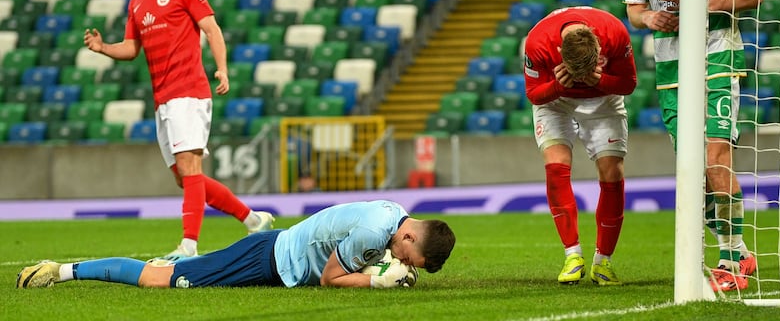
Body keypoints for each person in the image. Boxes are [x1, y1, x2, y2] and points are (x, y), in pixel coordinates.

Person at [83, 0, 274, 260]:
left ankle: (189, 246)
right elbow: (131, 49)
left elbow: (211, 28)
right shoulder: (137, 1)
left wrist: (222, 68)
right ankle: (253, 219)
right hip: (163, 99)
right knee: (184, 178)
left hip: (189, 91)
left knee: (189, 166)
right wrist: (103, 49)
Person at [624, 0, 761, 292]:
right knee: (695, 171)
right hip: (670, 70)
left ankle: (730, 256)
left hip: (718, 59)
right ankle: (735, 251)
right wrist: (649, 18)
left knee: (716, 157)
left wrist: (707, 4)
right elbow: (632, 10)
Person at [16, 200, 456, 289]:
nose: (403, 261)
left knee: (171, 271)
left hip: (273, 250)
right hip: (266, 259)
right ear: (411, 236)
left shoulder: (393, 213)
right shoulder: (372, 235)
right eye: (408, 257)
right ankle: (61, 270)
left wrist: (385, 269)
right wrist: (377, 283)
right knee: (159, 281)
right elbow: (330, 279)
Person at [523, 6, 637, 286]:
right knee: (555, 167)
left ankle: (604, 263)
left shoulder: (615, 33)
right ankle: (572, 256)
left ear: (600, 47)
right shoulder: (538, 42)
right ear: (560, 52)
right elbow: (533, 94)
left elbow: (629, 83)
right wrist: (558, 87)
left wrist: (601, 80)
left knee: (613, 174)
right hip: (555, 102)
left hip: (604, 99)